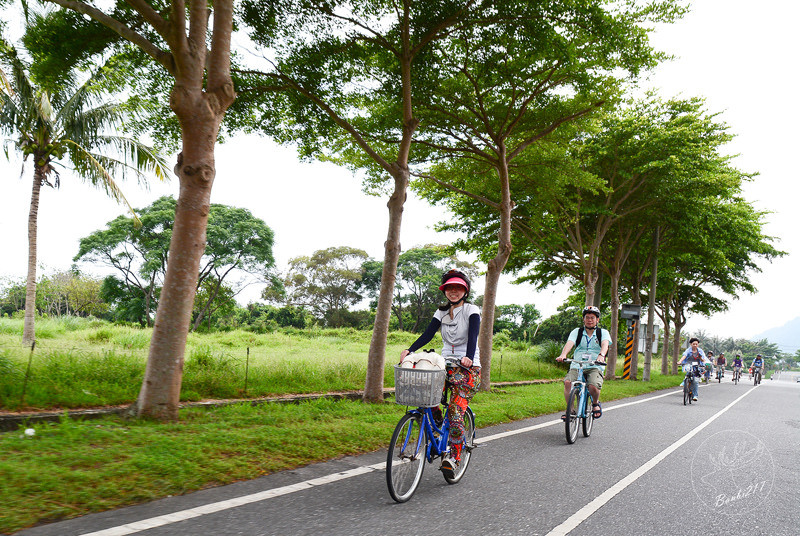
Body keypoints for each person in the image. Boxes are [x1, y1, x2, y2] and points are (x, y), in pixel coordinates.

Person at [400, 269, 481, 479]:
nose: (454, 292)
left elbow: (473, 336)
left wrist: (469, 357)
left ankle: (454, 457)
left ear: (465, 291)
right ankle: (436, 430)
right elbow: (428, 334)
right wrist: (410, 350)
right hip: (444, 364)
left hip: (467, 367)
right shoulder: (441, 313)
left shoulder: (472, 310)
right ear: (445, 291)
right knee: (427, 396)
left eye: (458, 288)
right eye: (450, 288)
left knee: (455, 411)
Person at [556, 305, 610, 421]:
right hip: (578, 364)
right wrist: (563, 354)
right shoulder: (577, 331)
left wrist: (601, 355)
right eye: (587, 317)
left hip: (595, 365)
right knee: (567, 382)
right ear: (583, 319)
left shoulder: (603, 332)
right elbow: (570, 343)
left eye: (592, 318)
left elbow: (605, 344)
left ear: (597, 320)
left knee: (593, 386)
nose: (590, 320)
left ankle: (595, 403)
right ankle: (570, 410)